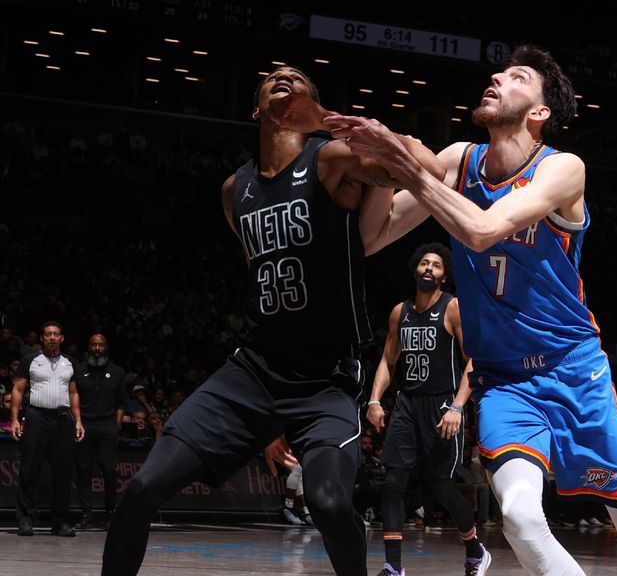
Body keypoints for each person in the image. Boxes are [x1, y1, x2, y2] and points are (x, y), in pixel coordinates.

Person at [325, 44, 617, 575]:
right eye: (499, 71)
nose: (496, 77)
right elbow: (373, 237)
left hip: (574, 370)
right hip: (504, 382)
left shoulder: (563, 169)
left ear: (540, 112)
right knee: (517, 516)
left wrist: (404, 161)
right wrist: (382, 170)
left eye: (517, 77)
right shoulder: (457, 160)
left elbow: (482, 229)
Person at [101, 65, 444, 576]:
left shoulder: (329, 159)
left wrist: (324, 120)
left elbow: (428, 166)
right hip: (255, 372)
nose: (283, 75)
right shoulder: (232, 191)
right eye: (271, 77)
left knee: (328, 503)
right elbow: (259, 281)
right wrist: (265, 424)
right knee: (141, 489)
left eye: (298, 78)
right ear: (255, 107)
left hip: (326, 378)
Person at [367, 243, 489, 576]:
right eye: (424, 263)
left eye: (435, 265)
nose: (428, 268)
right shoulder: (399, 313)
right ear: (415, 270)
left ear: (444, 275)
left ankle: (475, 549)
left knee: (442, 487)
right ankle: (393, 566)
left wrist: (457, 406)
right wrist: (375, 399)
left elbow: (473, 360)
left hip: (442, 405)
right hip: (407, 403)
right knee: (393, 483)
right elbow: (387, 361)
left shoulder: (453, 308)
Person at [10, 321, 85, 537]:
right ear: (42, 339)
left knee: (62, 473)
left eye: (56, 334)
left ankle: (60, 521)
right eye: (48, 334)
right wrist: (15, 419)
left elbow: (73, 394)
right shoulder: (30, 360)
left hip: (62, 420)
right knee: (29, 469)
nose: (52, 337)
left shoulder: (70, 362)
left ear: (62, 338)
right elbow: (17, 389)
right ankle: (25, 519)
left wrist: (78, 420)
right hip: (37, 417)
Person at [74, 333, 128, 530]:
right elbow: (73, 398)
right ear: (89, 347)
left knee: (109, 470)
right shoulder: (78, 370)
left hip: (107, 426)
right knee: (83, 471)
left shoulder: (117, 372)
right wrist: (77, 421)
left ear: (106, 348)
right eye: (94, 345)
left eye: (101, 345)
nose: (97, 349)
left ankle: (110, 514)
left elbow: (122, 401)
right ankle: (87, 515)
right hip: (85, 425)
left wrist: (117, 423)